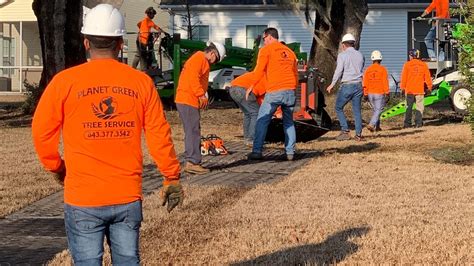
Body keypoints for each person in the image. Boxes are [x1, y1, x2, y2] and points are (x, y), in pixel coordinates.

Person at [31, 4, 183, 265]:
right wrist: (171, 176)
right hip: (126, 196)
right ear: (120, 44)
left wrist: (57, 167)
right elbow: (159, 134)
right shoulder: (141, 83)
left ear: (86, 42)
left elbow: (42, 132)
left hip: (83, 197)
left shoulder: (65, 82)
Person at [247, 27, 298, 161]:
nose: (263, 42)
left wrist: (251, 85)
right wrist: (293, 88)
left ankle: (257, 151)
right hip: (290, 91)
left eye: (264, 39)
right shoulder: (290, 52)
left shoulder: (266, 50)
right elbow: (295, 73)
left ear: (269, 37)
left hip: (275, 91)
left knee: (262, 120)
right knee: (288, 122)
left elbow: (258, 71)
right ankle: (290, 153)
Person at [175, 41, 226, 174]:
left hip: (187, 99)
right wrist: (200, 95)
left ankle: (191, 161)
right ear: (212, 53)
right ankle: (192, 162)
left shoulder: (198, 59)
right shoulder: (200, 59)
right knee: (193, 131)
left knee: (192, 130)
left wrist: (203, 94)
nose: (215, 62)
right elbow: (193, 78)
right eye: (216, 59)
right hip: (188, 99)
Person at [326, 33, 365, 141]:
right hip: (359, 85)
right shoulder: (360, 55)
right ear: (353, 44)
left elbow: (339, 71)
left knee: (338, 107)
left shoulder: (342, 55)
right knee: (357, 111)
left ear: (343, 45)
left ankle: (345, 131)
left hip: (347, 85)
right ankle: (359, 135)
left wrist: (332, 84)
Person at [228, 72, 266, 146]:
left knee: (248, 114)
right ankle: (251, 139)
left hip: (232, 89)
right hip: (243, 90)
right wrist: (276, 112)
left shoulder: (260, 73)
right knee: (256, 113)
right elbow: (262, 99)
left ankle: (247, 138)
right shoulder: (269, 79)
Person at [401, 49, 433, 128]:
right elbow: (428, 78)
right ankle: (418, 123)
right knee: (419, 107)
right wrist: (429, 87)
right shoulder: (423, 65)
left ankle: (407, 124)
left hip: (409, 91)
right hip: (419, 90)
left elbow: (404, 78)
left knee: (408, 108)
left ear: (411, 55)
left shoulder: (407, 65)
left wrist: (402, 88)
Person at [363, 50, 390, 132]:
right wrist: (387, 93)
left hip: (370, 93)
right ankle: (371, 124)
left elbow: (365, 83)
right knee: (378, 110)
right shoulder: (383, 69)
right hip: (379, 93)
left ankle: (377, 127)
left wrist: (365, 93)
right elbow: (385, 82)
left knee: (375, 111)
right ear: (380, 59)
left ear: (372, 59)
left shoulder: (368, 69)